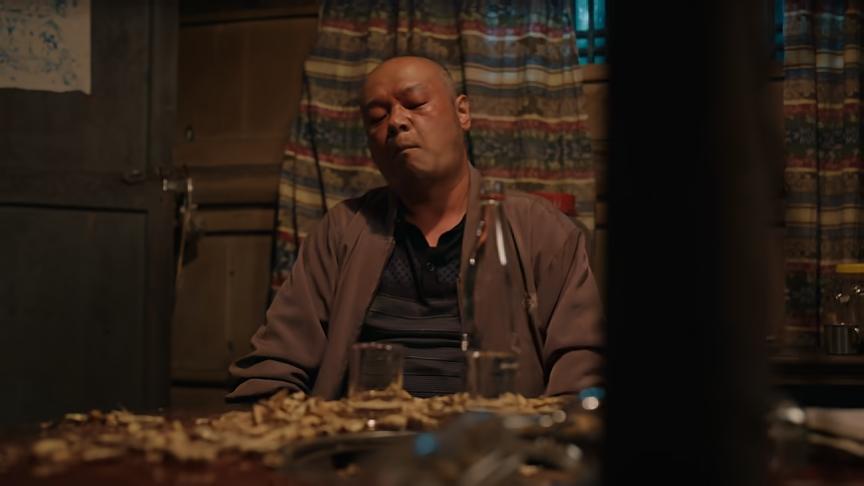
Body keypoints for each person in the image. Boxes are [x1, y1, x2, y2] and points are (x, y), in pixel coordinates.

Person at [227, 56, 603, 401]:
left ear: (463, 112)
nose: (395, 122)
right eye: (377, 117)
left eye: (416, 103)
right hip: (363, 439)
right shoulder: (342, 230)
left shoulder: (539, 229)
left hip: (491, 443)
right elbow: (276, 364)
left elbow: (582, 367)